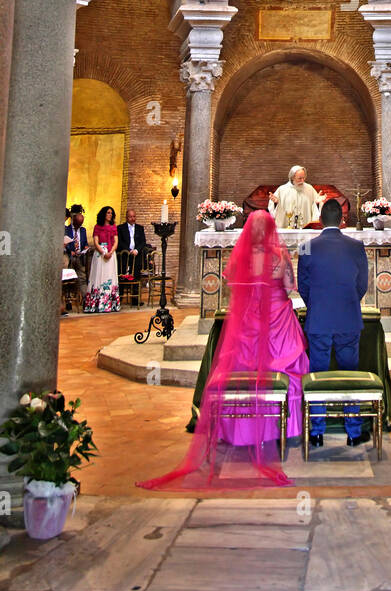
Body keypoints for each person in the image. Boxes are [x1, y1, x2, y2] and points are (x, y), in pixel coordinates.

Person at [137, 211, 309, 488]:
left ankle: (239, 432)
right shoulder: (279, 255)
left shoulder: (241, 255)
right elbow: (290, 287)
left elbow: (231, 286)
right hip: (278, 323)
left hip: (246, 324)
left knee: (241, 368)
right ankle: (282, 428)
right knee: (285, 369)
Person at [298, 197, 370, 447]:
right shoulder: (356, 246)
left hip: (318, 319)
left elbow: (303, 286)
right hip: (348, 317)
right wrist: (348, 302)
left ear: (319, 220)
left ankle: (316, 431)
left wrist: (317, 305)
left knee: (317, 374)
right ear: (342, 219)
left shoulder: (307, 246)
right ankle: (353, 431)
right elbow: (362, 285)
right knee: (350, 373)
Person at [85, 206, 120, 313]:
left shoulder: (114, 227)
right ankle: (96, 304)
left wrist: (110, 252)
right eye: (108, 213)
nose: (110, 215)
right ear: (103, 214)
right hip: (100, 254)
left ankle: (110, 304)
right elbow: (96, 242)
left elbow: (116, 241)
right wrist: (103, 252)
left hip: (111, 254)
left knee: (109, 276)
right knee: (98, 276)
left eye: (111, 213)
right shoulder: (97, 227)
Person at [63, 204, 90, 302]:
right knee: (68, 280)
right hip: (70, 257)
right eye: (77, 223)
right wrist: (71, 250)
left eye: (81, 224)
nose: (79, 226)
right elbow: (66, 241)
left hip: (80, 257)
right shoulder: (67, 229)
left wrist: (85, 247)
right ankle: (67, 300)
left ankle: (85, 299)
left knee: (82, 278)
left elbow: (85, 242)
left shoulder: (83, 230)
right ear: (73, 221)